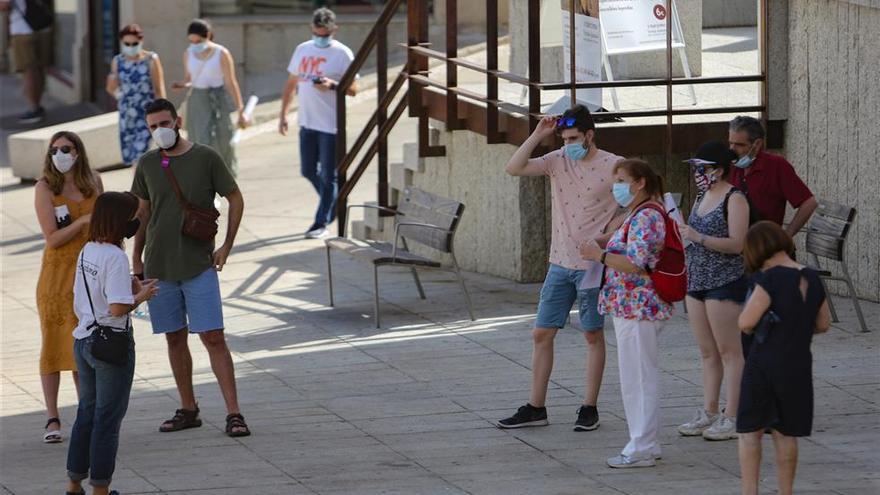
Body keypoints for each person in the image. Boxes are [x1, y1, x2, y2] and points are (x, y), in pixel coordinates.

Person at [497, 105, 622, 432]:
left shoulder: (614, 165)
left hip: (592, 266)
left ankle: (589, 407)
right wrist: (538, 135)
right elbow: (513, 168)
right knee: (541, 333)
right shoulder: (557, 160)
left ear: (589, 135)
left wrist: (606, 236)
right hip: (559, 263)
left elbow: (638, 203)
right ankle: (536, 407)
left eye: (574, 139)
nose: (569, 145)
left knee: (593, 334)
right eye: (565, 139)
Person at [131, 98, 250, 437]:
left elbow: (235, 197)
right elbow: (142, 213)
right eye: (153, 126)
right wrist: (136, 258)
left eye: (164, 124)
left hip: (198, 264)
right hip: (159, 265)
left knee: (213, 336)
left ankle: (234, 413)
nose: (159, 131)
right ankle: (188, 408)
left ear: (178, 121)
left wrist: (227, 245)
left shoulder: (206, 157)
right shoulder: (147, 165)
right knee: (174, 337)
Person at [581, 159, 673, 468]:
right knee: (635, 374)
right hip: (630, 305)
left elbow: (637, 263)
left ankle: (642, 446)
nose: (616, 186)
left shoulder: (646, 215)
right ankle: (646, 441)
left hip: (639, 306)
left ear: (640, 182)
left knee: (638, 376)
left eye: (621, 179)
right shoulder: (637, 213)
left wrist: (600, 255)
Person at [66, 192, 159, 495]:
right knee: (107, 419)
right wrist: (140, 296)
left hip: (83, 340)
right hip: (111, 343)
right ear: (121, 220)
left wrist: (128, 288)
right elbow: (118, 308)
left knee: (86, 414)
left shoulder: (88, 250)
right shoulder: (116, 256)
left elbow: (91, 293)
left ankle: (74, 483)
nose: (137, 220)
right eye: (134, 215)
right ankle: (101, 490)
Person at [737, 221, 831, 495]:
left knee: (750, 432)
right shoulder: (813, 278)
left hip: (764, 363)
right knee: (786, 432)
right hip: (799, 364)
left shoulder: (769, 279)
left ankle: (749, 491)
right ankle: (785, 491)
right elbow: (823, 324)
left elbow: (746, 321)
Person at [676, 141, 749, 441]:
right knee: (707, 352)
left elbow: (737, 244)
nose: (697, 173)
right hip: (696, 281)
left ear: (718, 170)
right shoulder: (702, 196)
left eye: (702, 168)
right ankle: (709, 410)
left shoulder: (735, 199)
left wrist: (699, 237)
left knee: (729, 351)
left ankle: (732, 415)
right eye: (695, 168)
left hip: (724, 281)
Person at [34, 131, 103, 443]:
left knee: (84, 347)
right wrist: (82, 223)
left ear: (78, 152)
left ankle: (86, 413)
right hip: (57, 276)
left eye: (66, 148)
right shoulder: (46, 187)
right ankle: (52, 417)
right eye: (54, 149)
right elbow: (52, 237)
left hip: (89, 274)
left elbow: (105, 225)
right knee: (53, 344)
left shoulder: (94, 182)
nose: (59, 154)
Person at [279, 7, 358, 239]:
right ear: (311, 29)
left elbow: (354, 88)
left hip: (331, 125)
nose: (320, 38)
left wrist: (332, 85)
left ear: (334, 30)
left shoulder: (343, 53)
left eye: (325, 35)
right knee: (308, 171)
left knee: (327, 176)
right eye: (317, 33)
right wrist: (283, 114)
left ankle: (320, 222)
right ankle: (332, 201)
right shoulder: (302, 50)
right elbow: (291, 84)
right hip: (307, 123)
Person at [172, 18, 246, 177]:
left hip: (218, 99)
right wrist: (181, 84)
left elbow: (230, 82)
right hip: (197, 100)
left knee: (224, 139)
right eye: (191, 41)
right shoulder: (188, 53)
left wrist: (241, 109)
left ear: (208, 36)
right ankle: (204, 179)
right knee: (199, 140)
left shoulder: (221, 53)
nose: (195, 44)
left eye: (198, 40)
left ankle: (225, 177)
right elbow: (189, 78)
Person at [727, 116, 817, 237]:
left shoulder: (776, 166)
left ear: (757, 144)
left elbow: (809, 203)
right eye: (730, 143)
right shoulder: (730, 166)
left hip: (764, 244)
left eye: (739, 145)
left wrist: (786, 236)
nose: (732, 150)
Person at [106, 23, 166, 167]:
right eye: (127, 43)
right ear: (122, 42)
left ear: (141, 41)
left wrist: (164, 114)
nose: (131, 46)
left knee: (142, 154)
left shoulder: (151, 59)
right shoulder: (117, 61)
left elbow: (159, 88)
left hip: (147, 114)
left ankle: (141, 186)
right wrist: (112, 84)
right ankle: (139, 187)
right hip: (127, 115)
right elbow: (111, 89)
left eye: (134, 43)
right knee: (133, 157)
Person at [1, 0, 53, 123]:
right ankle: (37, 106)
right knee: (38, 69)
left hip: (22, 30)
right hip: (42, 26)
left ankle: (34, 108)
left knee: (29, 70)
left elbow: (4, 5)